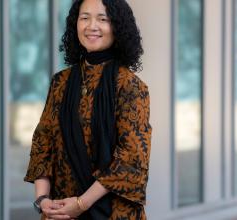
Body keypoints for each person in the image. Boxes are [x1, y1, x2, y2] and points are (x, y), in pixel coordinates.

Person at [24, 0, 152, 219]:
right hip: (60, 211)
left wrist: (82, 203)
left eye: (103, 19)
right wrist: (42, 200)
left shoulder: (130, 86)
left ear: (118, 27)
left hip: (112, 213)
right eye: (84, 18)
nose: (91, 26)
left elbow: (131, 159)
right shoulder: (60, 82)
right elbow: (42, 145)